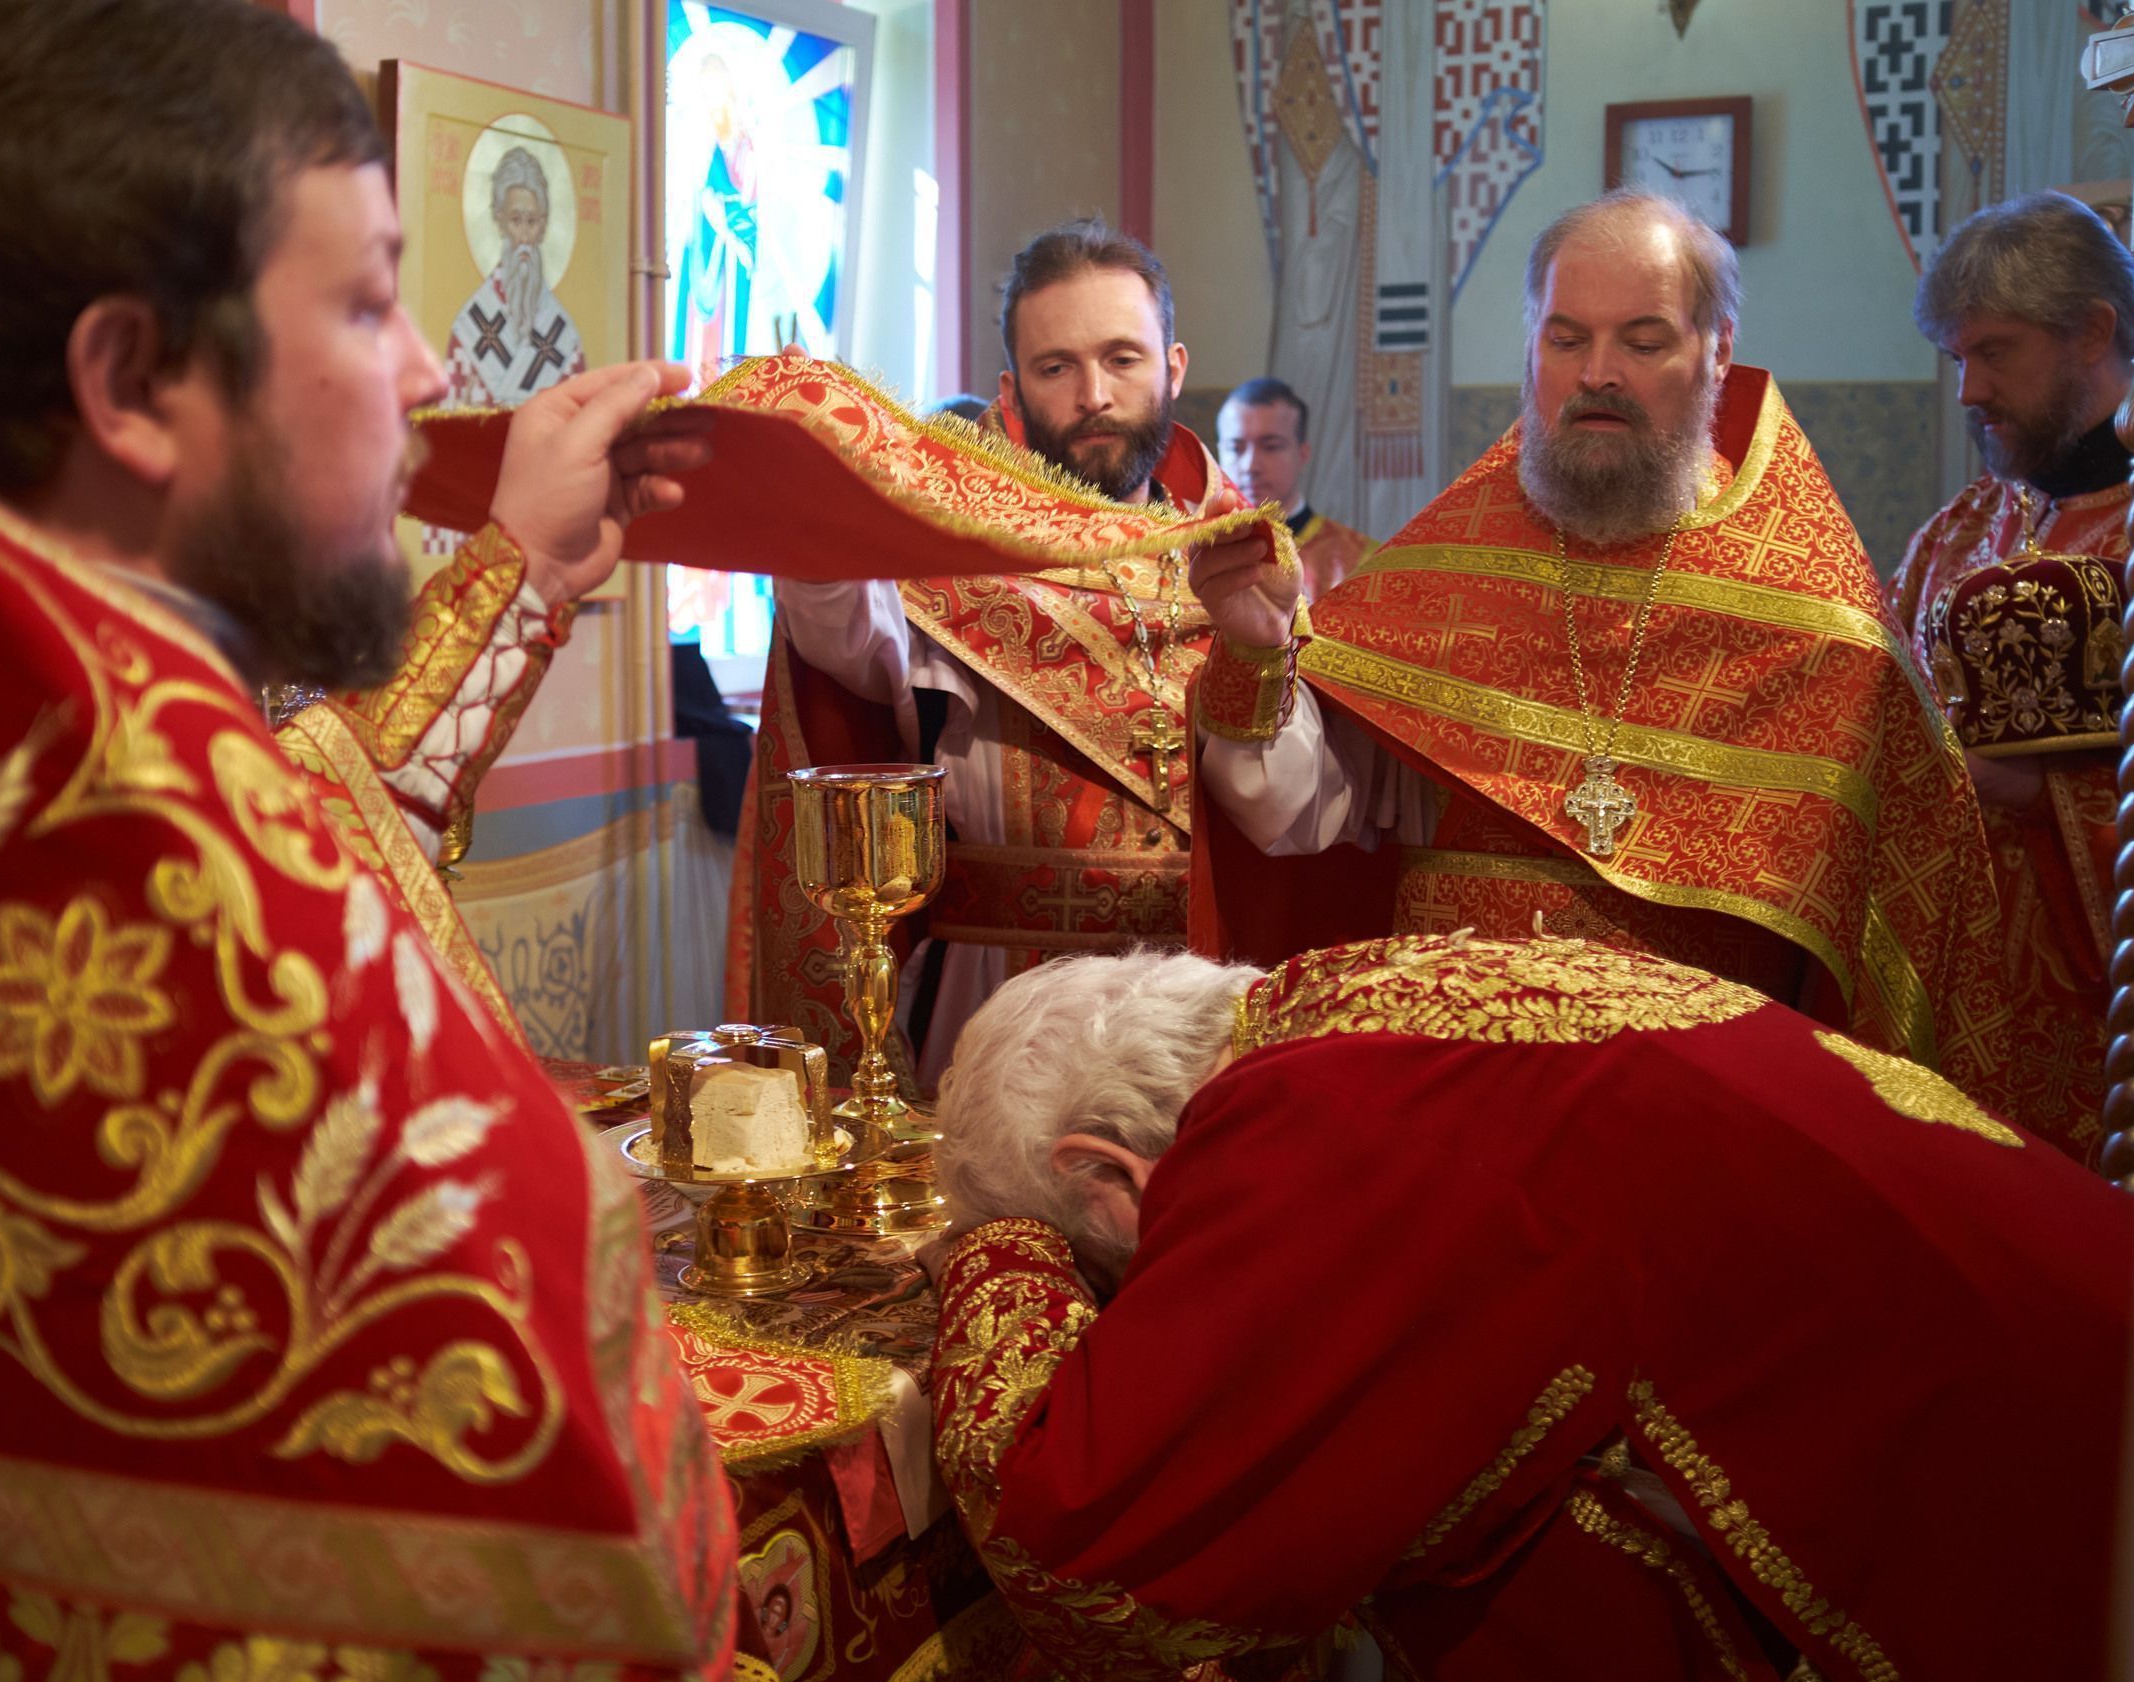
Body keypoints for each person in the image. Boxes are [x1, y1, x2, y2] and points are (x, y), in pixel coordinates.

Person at [0, 0, 739, 1682]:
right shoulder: (371, 1119)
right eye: (366, 299)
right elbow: (646, 1571)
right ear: (129, 379)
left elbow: (286, 806)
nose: (429, 372)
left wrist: (525, 571)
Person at [928, 934, 2134, 1682]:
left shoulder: (1305, 1128)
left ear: (1106, 1174)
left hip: (2066, 1505)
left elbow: (1086, 1550)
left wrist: (997, 1250)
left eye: (1102, 1271)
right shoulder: (1351, 1005)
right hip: (2105, 1345)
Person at [1187, 190, 2014, 1112]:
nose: (1598, 373)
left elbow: (1904, 940)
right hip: (1459, 1095)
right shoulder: (1445, 574)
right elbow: (1295, 813)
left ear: (1719, 351)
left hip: (1698, 1112)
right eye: (1566, 338)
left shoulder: (1816, 624)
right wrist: (1258, 652)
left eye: (1644, 342)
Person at [734, 219, 1253, 1085]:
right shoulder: (942, 558)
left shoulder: (1240, 557)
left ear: (1173, 367)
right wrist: (815, 498)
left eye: (1122, 358)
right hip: (1004, 1005)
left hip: (1202, 994)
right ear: (1012, 391)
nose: (1094, 394)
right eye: (1057, 367)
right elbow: (840, 642)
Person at [1889, 192, 2134, 1161]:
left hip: (2111, 1039)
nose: (1969, 390)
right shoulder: (1957, 531)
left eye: (1994, 352)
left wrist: (2037, 795)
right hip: (1945, 1002)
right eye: (1958, 357)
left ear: (2092, 332)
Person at [445, 143, 588, 408]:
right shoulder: (469, 327)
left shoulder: (563, 337)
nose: (523, 237)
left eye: (531, 222)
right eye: (515, 220)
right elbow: (450, 411)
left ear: (543, 227)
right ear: (499, 222)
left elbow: (579, 414)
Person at [1217, 375, 1377, 596]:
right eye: (1235, 449)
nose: (1250, 466)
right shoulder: (1194, 554)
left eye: (1271, 447)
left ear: (1302, 454)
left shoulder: (1361, 563)